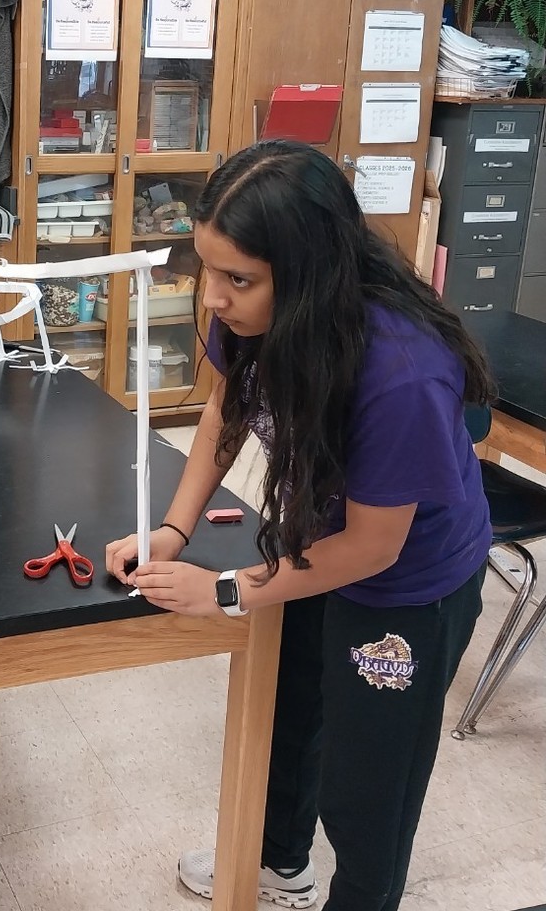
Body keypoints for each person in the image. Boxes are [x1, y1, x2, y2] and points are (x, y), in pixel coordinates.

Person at [105, 139, 493, 911]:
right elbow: (224, 412)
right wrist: (174, 531)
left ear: (311, 272)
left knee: (367, 793)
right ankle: (280, 865)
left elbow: (373, 547)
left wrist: (225, 589)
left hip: (409, 588)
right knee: (289, 713)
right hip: (315, 543)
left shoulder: (402, 373)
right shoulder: (249, 314)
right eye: (207, 268)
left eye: (237, 279)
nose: (212, 298)